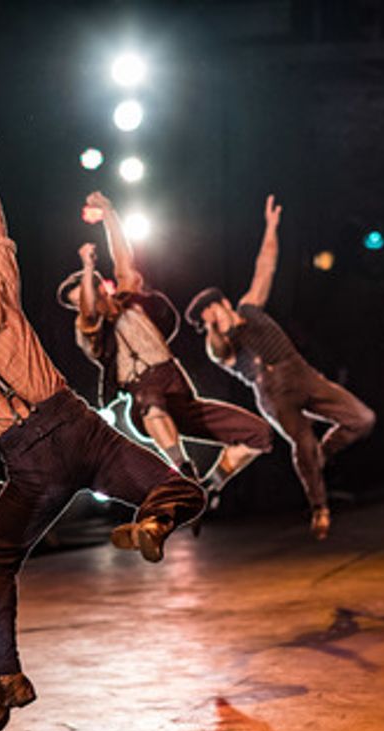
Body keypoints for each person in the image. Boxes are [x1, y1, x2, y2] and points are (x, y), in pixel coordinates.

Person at [0, 132, 204, 731]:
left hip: (32, 469)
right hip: (82, 429)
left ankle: (6, 676)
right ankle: (157, 522)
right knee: (183, 489)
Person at [59, 191, 273, 505]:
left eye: (86, 293)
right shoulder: (88, 331)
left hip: (177, 389)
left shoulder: (129, 299)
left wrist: (109, 212)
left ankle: (209, 486)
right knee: (152, 401)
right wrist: (87, 267)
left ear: (100, 287)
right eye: (78, 302)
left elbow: (123, 259)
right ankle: (184, 472)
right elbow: (89, 314)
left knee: (259, 434)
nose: (85, 303)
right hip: (144, 398)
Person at [184, 195, 375, 540]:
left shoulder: (250, 307)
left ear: (223, 303)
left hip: (301, 373)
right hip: (273, 392)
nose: (210, 321)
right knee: (302, 443)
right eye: (205, 320)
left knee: (363, 419)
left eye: (211, 313)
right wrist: (215, 329)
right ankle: (320, 508)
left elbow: (265, 267)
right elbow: (219, 350)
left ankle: (324, 453)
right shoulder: (218, 346)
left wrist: (271, 227)